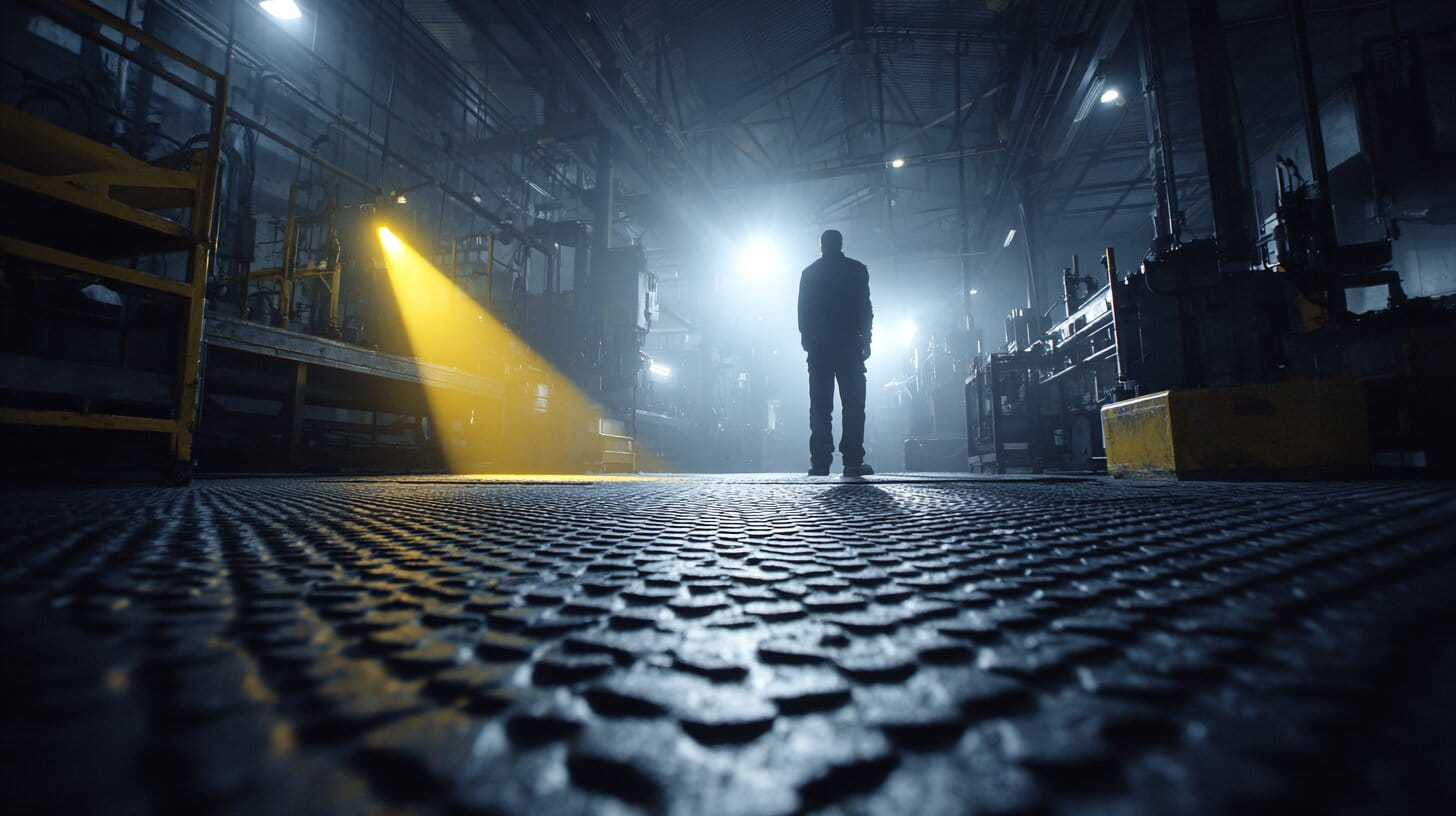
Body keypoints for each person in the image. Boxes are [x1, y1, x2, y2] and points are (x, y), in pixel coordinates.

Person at [798, 229, 875, 477]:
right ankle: (852, 461)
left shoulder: (809, 273)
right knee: (853, 406)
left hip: (820, 350)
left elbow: (803, 314)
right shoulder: (857, 270)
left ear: (821, 246)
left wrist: (808, 342)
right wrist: (866, 340)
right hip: (849, 348)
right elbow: (865, 308)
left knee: (820, 407)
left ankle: (820, 462)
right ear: (841, 244)